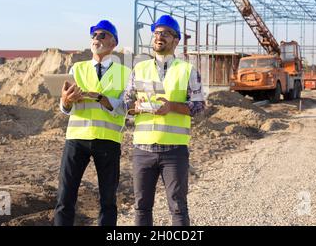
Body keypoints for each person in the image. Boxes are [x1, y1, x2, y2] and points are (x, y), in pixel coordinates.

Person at [124, 15, 205, 226]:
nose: (159, 37)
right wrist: (136, 107)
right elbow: (126, 103)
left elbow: (199, 107)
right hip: (143, 149)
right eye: (157, 33)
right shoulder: (139, 69)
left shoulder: (188, 70)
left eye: (166, 33)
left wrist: (172, 106)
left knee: (178, 207)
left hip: (174, 151)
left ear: (175, 41)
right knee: (141, 208)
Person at [54, 20, 131, 226]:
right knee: (65, 197)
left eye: (102, 35)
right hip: (76, 139)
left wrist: (101, 98)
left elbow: (127, 109)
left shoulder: (125, 73)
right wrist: (66, 100)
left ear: (114, 43)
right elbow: (64, 108)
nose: (96, 39)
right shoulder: (77, 68)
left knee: (108, 200)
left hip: (108, 140)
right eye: (94, 35)